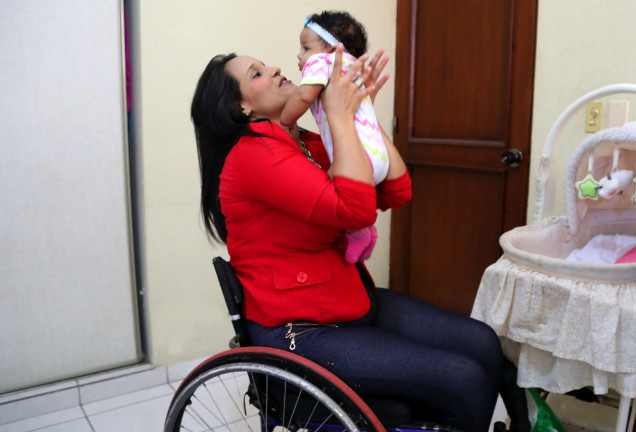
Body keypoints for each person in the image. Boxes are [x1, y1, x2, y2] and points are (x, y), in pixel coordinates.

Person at [191, 45, 529, 432]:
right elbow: (355, 211)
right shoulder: (254, 154)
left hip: (348, 301)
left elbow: (395, 190)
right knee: (461, 376)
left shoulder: (307, 142)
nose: (275, 68)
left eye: (264, 65)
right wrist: (338, 115)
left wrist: (361, 113)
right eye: (256, 73)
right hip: (299, 329)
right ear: (241, 108)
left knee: (482, 342)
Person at [280, 11, 387, 264]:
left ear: (330, 49)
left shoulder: (323, 62)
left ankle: (359, 231)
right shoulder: (352, 68)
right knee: (340, 187)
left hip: (355, 158)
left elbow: (304, 96)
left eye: (306, 48)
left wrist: (285, 121)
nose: (300, 55)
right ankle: (364, 230)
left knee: (331, 188)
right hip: (377, 154)